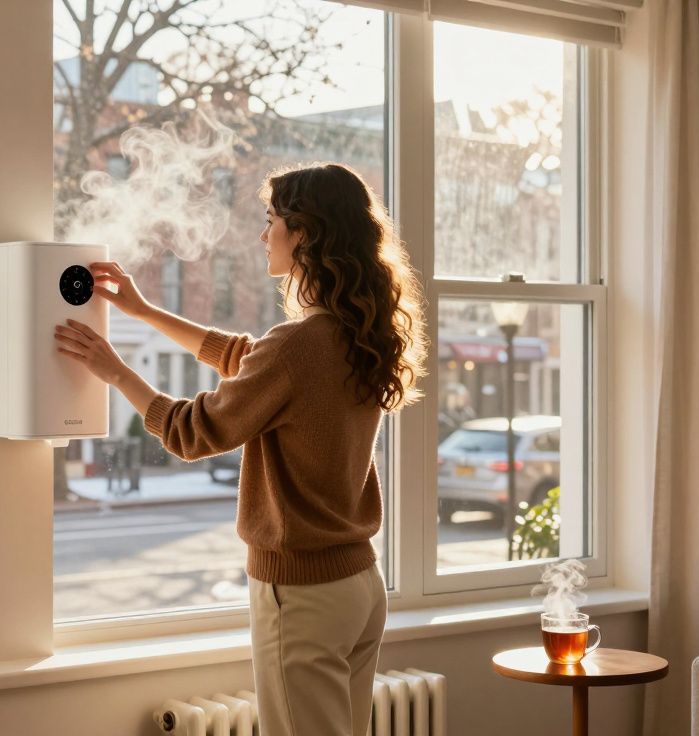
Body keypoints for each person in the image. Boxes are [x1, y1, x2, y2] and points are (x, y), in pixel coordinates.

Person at [54, 162, 427, 736]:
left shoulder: (298, 345)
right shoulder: (355, 332)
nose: (263, 235)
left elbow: (191, 431)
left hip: (304, 593)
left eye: (271, 220)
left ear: (304, 233)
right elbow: (246, 358)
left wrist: (115, 371)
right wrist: (145, 312)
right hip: (358, 588)